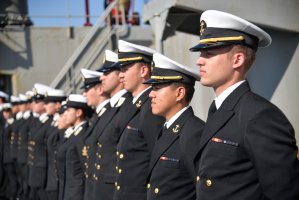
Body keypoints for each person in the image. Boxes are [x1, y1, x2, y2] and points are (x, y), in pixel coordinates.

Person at [189, 10, 299, 200]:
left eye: (209, 53)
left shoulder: (260, 116)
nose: (199, 60)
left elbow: (286, 193)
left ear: (237, 60)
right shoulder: (219, 109)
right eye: (201, 53)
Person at [144, 53, 205, 200]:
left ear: (179, 93)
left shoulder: (195, 132)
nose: (151, 94)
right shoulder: (167, 129)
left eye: (157, 87)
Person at [113, 40, 165, 200]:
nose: (120, 74)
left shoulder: (151, 108)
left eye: (125, 69)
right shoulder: (132, 104)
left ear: (143, 70)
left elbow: (158, 162)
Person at [90, 49, 132, 200]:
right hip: (102, 186)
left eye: (107, 73)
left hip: (114, 189)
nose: (101, 77)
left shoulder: (128, 106)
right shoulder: (111, 108)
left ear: (120, 75)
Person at [80, 68, 111, 200]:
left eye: (87, 89)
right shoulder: (97, 116)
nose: (84, 94)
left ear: (100, 90)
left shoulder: (109, 114)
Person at [56, 94, 92, 200]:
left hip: (77, 193)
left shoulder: (82, 135)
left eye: (68, 110)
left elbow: (85, 169)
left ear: (78, 113)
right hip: (68, 190)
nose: (65, 114)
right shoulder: (74, 134)